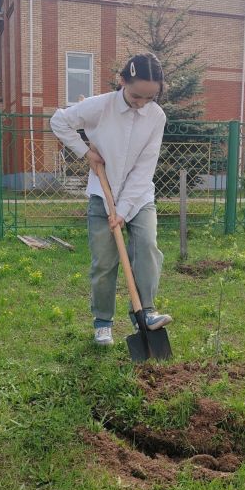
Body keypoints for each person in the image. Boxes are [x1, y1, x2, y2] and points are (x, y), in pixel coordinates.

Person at [50, 53, 173, 346]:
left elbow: (145, 168)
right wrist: (85, 152)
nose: (142, 102)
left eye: (150, 97)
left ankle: (145, 313)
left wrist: (125, 209)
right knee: (104, 261)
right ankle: (103, 322)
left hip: (139, 195)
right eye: (136, 95)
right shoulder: (100, 106)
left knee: (147, 247)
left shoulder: (156, 117)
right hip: (101, 193)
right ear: (122, 81)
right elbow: (60, 120)